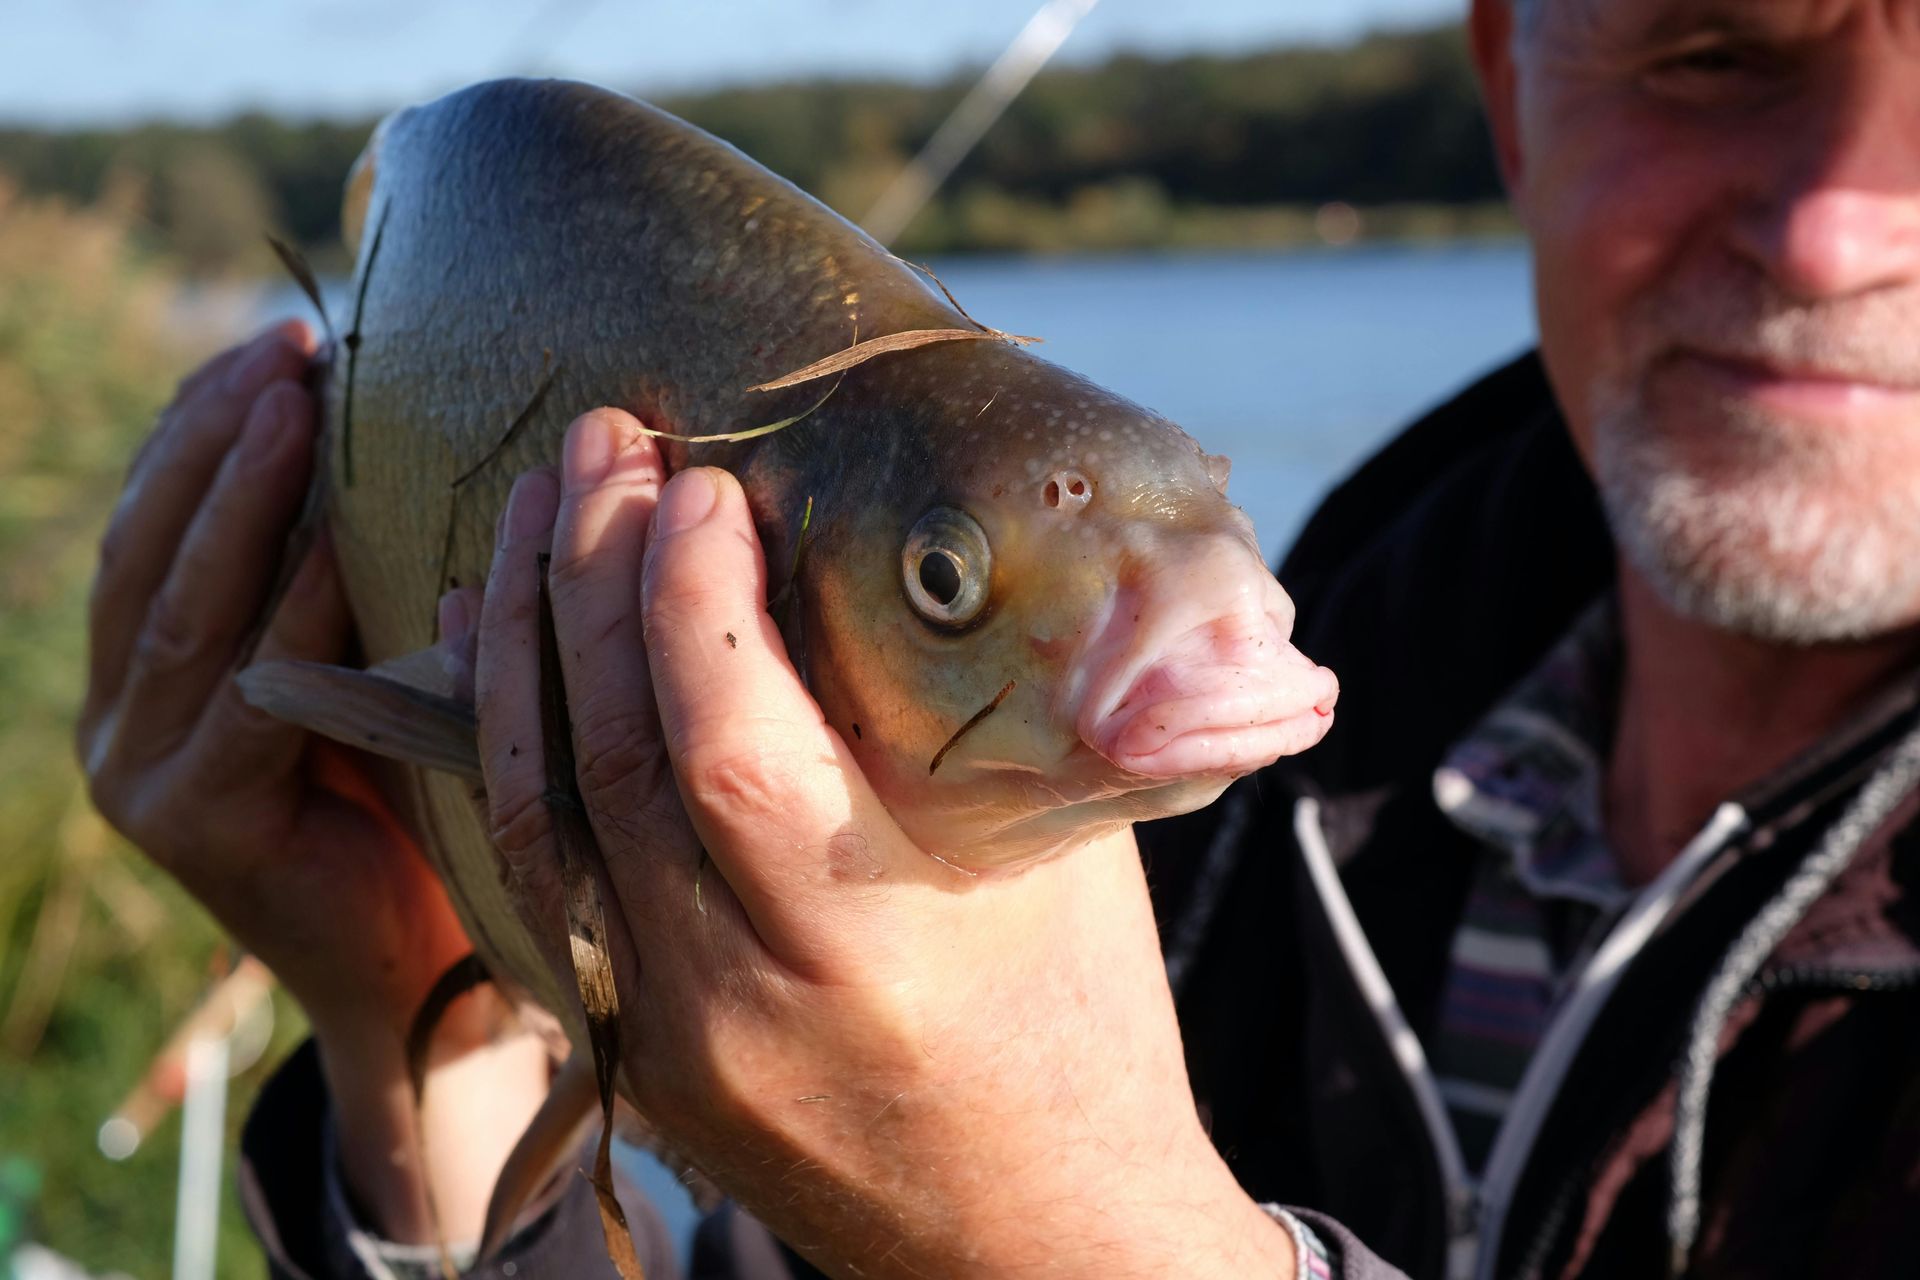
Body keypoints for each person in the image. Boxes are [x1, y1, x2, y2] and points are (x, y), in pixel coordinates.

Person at [77, 0, 1920, 1274]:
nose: (1833, 228)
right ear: (1514, 81)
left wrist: (1083, 1241)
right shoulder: (1298, 738)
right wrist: (430, 1024)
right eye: (1710, 47)